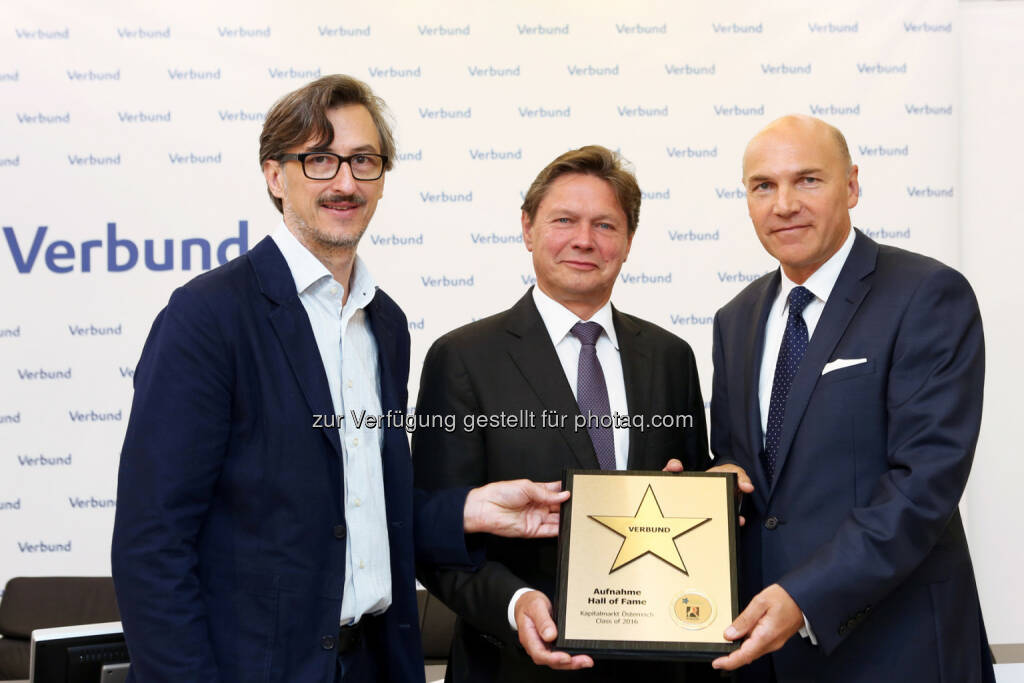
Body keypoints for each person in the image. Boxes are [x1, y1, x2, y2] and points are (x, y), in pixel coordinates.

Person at [111, 75, 570, 683]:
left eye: (364, 161)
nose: (346, 182)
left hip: (374, 662)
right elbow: (152, 544)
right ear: (276, 176)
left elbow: (353, 504)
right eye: (320, 160)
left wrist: (468, 509)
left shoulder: (385, 322)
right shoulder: (209, 317)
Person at [413, 146, 727, 682]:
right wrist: (516, 607)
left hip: (656, 667)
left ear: (628, 242)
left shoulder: (672, 357)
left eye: (605, 224)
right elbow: (432, 528)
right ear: (527, 227)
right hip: (513, 666)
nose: (584, 240)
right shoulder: (463, 357)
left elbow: (694, 503)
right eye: (564, 220)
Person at [708, 114, 994, 682]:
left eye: (808, 180)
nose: (784, 204)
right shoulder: (734, 320)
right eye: (763, 186)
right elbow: (749, 475)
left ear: (852, 186)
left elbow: (923, 484)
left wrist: (806, 596)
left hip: (897, 649)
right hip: (768, 655)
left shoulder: (926, 295)